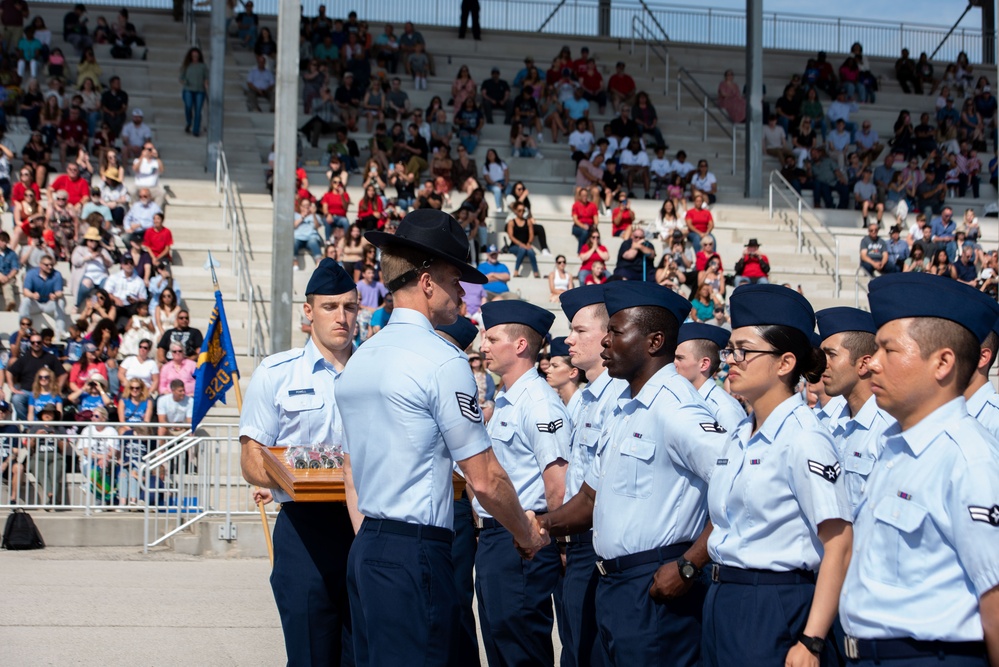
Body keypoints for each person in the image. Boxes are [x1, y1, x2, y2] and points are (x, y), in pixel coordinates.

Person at [338, 210, 548, 665]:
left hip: (368, 545)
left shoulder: (362, 357)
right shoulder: (440, 359)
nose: (464, 294)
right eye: (457, 280)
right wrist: (526, 533)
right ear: (428, 281)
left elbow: (350, 469)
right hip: (414, 552)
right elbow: (486, 478)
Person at [528, 281, 727, 665]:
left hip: (657, 585)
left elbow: (739, 488)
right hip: (615, 586)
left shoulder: (677, 409)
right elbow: (589, 498)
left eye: (617, 332)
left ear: (654, 342)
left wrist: (690, 564)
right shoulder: (627, 409)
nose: (606, 343)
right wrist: (540, 525)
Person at [840, 272, 999, 667]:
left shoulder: (969, 459)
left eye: (888, 350)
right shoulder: (896, 446)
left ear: (942, 362)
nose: (872, 364)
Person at [702, 284, 853, 667]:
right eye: (729, 350)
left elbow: (839, 542)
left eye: (744, 351)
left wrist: (812, 640)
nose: (730, 361)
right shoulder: (740, 433)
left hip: (774, 605)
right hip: (724, 600)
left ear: (785, 363)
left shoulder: (805, 438)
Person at [239, 259, 359, 666]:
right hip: (305, 529)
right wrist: (284, 478)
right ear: (308, 312)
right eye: (330, 307)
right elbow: (252, 455)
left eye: (349, 307)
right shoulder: (277, 373)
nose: (341, 317)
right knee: (310, 655)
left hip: (370, 525)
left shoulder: (375, 371)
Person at [475, 299, 570, 666]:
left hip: (523, 538)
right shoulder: (507, 398)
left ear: (519, 346)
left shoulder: (539, 403)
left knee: (520, 650)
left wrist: (556, 541)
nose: (483, 345)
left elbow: (557, 483)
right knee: (501, 644)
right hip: (498, 538)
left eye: (492, 337)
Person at [814, 307, 895, 514]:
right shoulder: (830, 424)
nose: (822, 364)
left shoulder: (888, 430)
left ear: (864, 364)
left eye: (831, 355)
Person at [673, 323, 747, 433]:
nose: (674, 363)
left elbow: (735, 449)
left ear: (704, 364)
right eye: (673, 357)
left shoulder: (725, 410)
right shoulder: (678, 398)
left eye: (680, 358)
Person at [18, 256, 66, 339]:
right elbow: (25, 291)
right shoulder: (31, 274)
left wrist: (55, 295)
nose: (50, 267)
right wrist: (32, 295)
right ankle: (23, 331)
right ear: (40, 265)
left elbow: (60, 292)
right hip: (35, 304)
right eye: (47, 265)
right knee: (25, 301)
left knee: (60, 301)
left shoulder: (57, 274)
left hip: (49, 304)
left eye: (51, 265)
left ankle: (61, 332)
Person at [179, 47, 208, 137]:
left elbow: (206, 77)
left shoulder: (203, 66)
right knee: (188, 105)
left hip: (200, 90)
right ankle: (189, 122)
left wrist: (206, 85)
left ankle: (196, 130)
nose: (195, 57)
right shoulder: (186, 65)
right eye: (193, 56)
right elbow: (181, 78)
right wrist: (185, 81)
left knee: (198, 110)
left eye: (196, 56)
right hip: (188, 89)